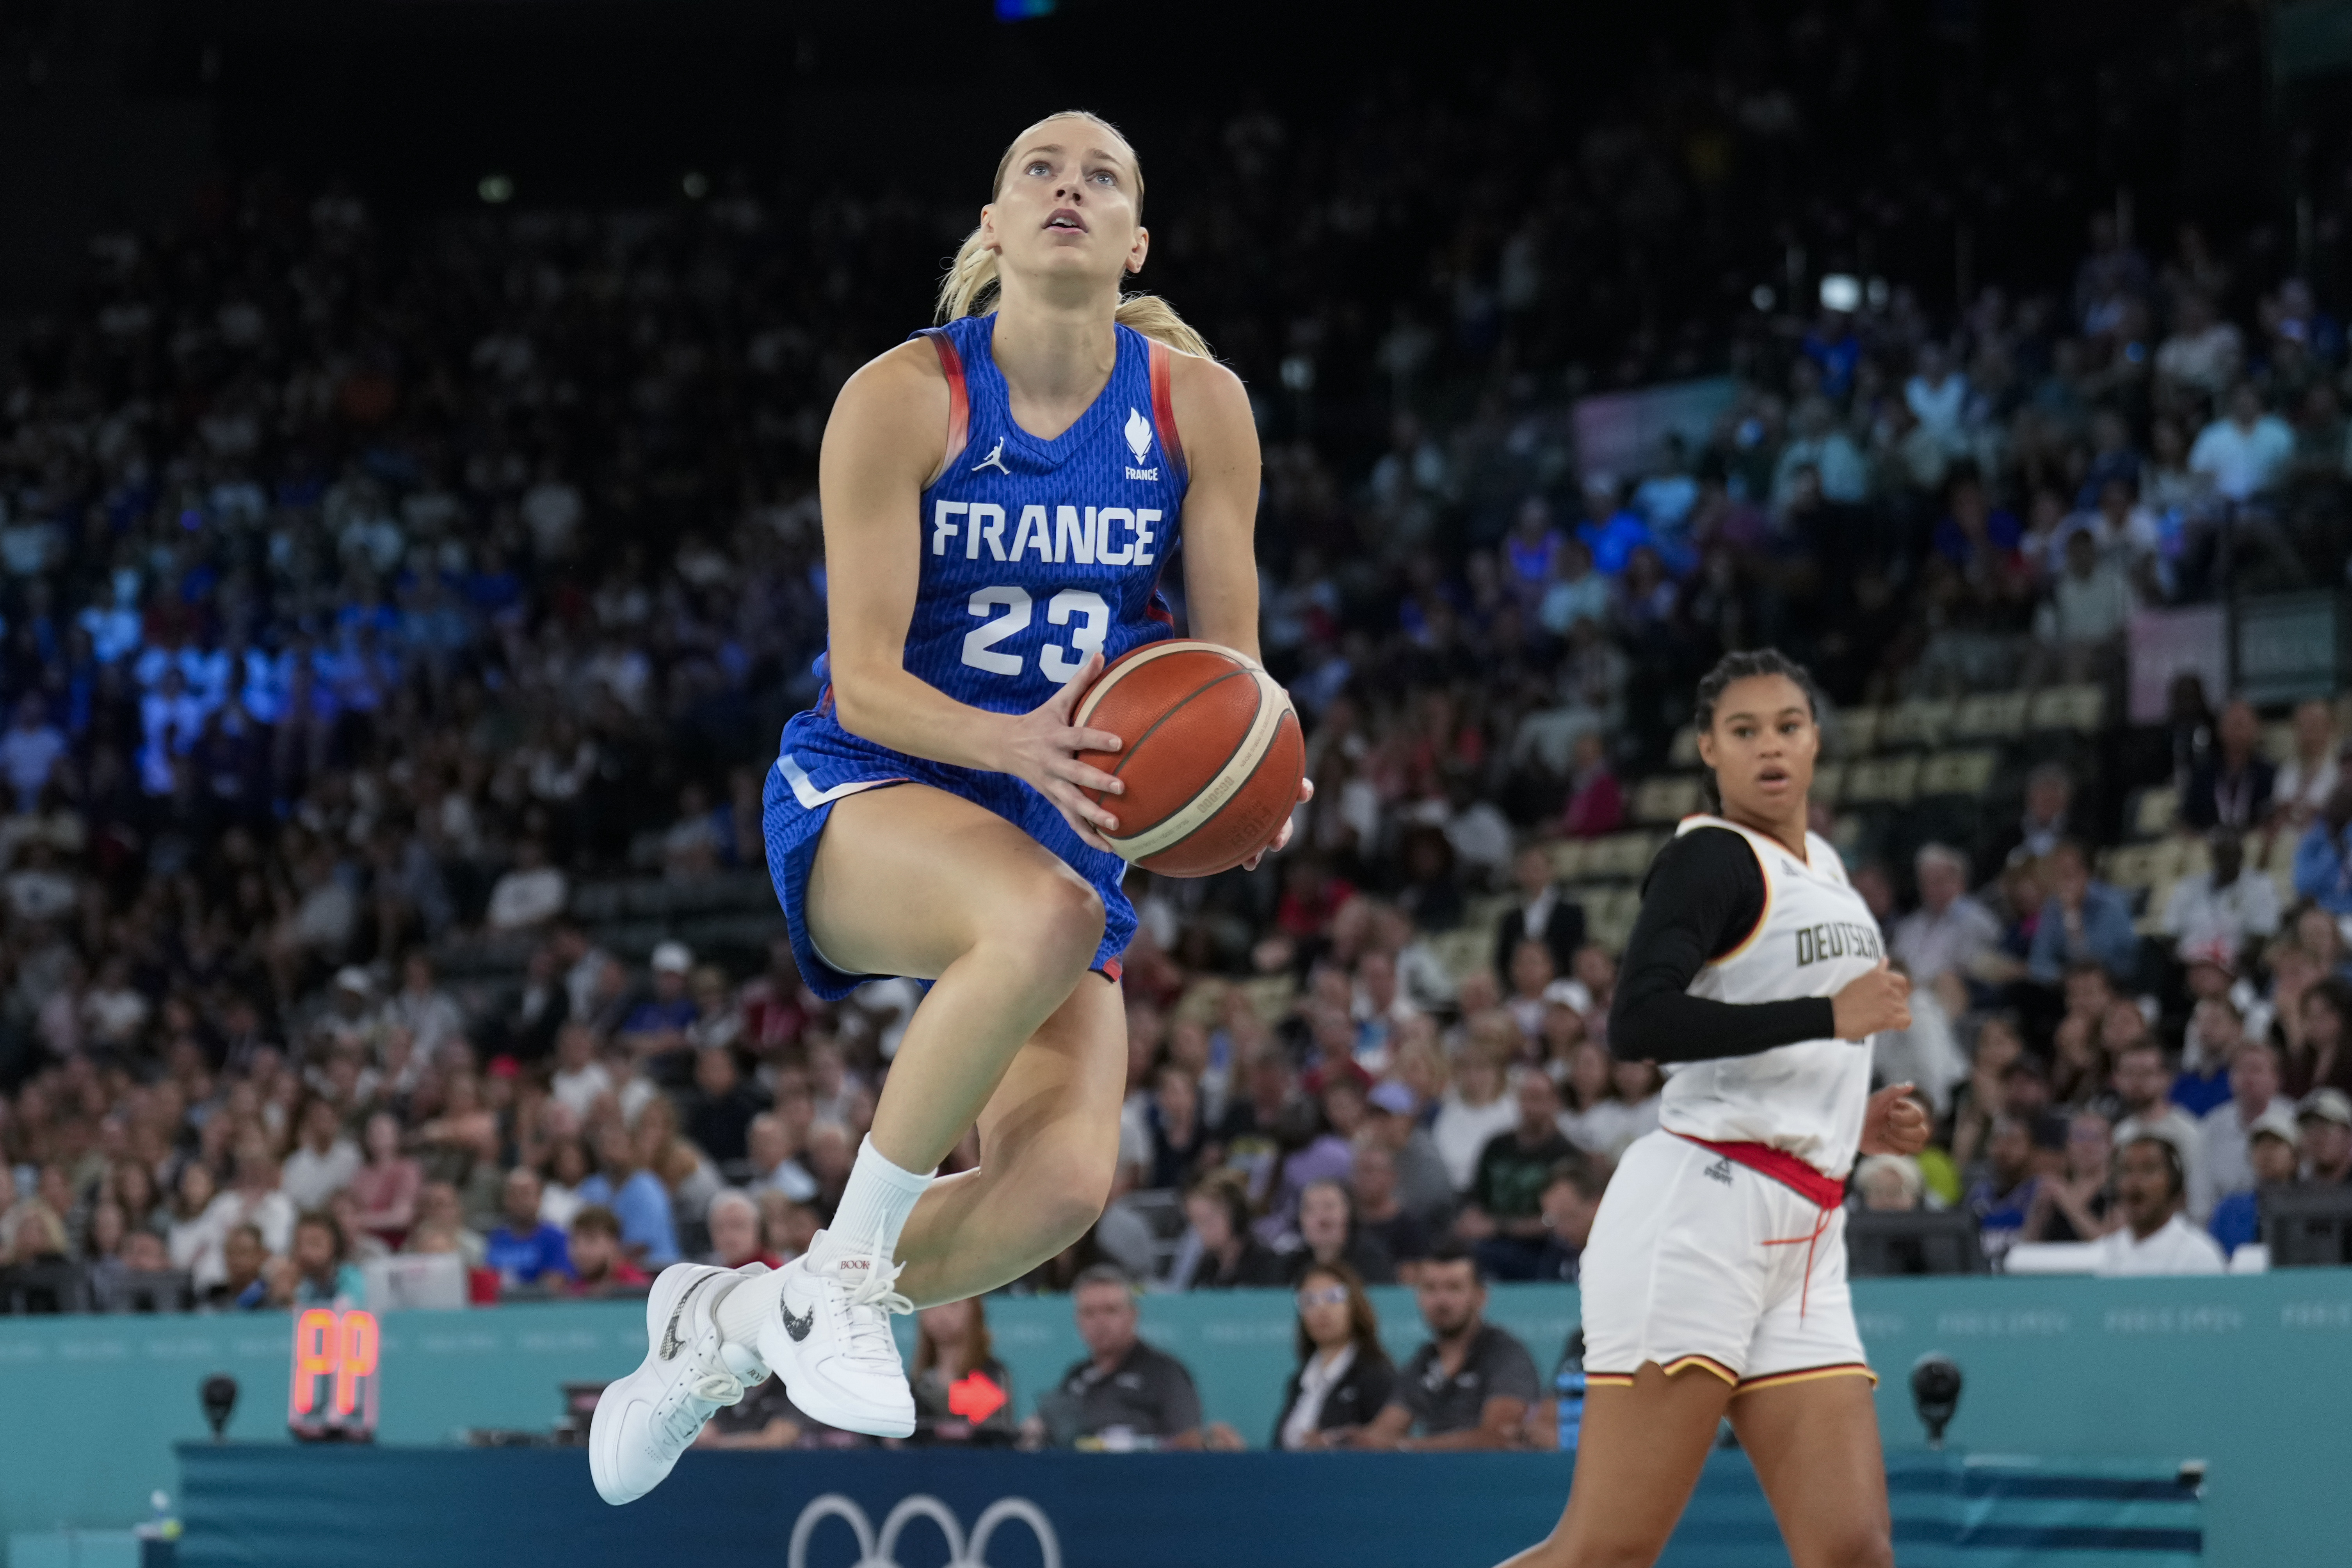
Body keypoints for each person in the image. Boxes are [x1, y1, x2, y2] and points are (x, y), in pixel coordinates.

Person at [592, 109, 1305, 1505]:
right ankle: (848, 1276)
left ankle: (734, 1322)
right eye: (1038, 168)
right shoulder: (903, 396)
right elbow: (863, 678)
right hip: (877, 782)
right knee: (1039, 912)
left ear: (1135, 242)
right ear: (993, 223)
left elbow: (1232, 680)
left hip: (1055, 820)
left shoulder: (1198, 410)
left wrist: (1258, 779)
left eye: (1101, 176)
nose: (1067, 187)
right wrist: (1012, 745)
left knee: (1060, 1189)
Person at [1500, 649, 1924, 1568]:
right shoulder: (1709, 858)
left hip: (1806, 1226)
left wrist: (1846, 1119)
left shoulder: (1828, 868)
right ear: (1707, 749)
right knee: (1606, 1551)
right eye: (1744, 731)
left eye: (1787, 726)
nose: (1769, 747)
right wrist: (1828, 1016)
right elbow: (1637, 1021)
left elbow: (1768, 1039)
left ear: (1814, 742)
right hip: (1701, 1213)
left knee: (1852, 1552)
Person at [1343, 1243, 1537, 1451]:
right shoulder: (1425, 1359)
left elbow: (1499, 1437)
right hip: (1433, 1469)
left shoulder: (1506, 1353)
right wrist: (1340, 1441)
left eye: (1454, 1288)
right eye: (1430, 1288)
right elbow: (1382, 1434)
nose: (1441, 1301)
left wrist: (1406, 1446)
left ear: (1481, 1297)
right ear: (1418, 1297)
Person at [1043, 1265, 1205, 1449]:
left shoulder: (1164, 1373)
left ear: (1133, 1315)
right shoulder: (1075, 1376)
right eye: (1089, 1312)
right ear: (1077, 1320)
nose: (1100, 1322)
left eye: (1111, 1310)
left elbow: (1189, 1441)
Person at [1455, 1070, 1580, 1280]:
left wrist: (1499, 1227)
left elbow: (1559, 1221)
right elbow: (1477, 1197)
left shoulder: (1566, 1155)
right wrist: (1470, 1219)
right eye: (1527, 1098)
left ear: (1555, 1103)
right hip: (1489, 1242)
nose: (1531, 1107)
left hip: (1541, 1248)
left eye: (1539, 1098)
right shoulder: (1496, 1146)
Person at [1271, 1262, 1395, 1450]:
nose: (1322, 1309)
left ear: (1354, 1304)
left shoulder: (1377, 1376)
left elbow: (1388, 1450)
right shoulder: (1298, 1382)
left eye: (1333, 1297)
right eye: (1309, 1301)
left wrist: (1333, 1446)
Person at [2091, 1136, 2227, 1276]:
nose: (2135, 1181)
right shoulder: (2104, 1255)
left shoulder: (2199, 1257)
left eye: (2148, 1170)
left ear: (2174, 1185)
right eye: (2127, 1170)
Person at [2111, 1042, 2210, 1221]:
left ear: (2165, 1078)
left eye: (2146, 1074)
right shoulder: (2121, 1132)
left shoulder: (2188, 1132)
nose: (2137, 1082)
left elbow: (2199, 1200)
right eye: (2130, 1073)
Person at [1889, 843, 1999, 992]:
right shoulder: (1910, 925)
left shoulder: (1976, 920)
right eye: (1926, 883)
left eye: (1939, 881)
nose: (1932, 889)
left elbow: (1972, 969)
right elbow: (1896, 963)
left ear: (1960, 882)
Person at [2026, 840, 2139, 985]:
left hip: (2114, 982)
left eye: (2070, 872)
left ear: (2086, 873)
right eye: (2058, 874)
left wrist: (2073, 917)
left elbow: (2121, 959)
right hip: (2070, 984)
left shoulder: (2112, 903)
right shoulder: (2052, 908)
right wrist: (2066, 976)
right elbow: (2039, 961)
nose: (2065, 881)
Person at [909, 1296, 1016, 1445]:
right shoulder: (916, 1382)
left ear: (974, 1309)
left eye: (953, 1305)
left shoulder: (994, 1375)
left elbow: (997, 1436)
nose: (941, 1315)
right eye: (932, 1306)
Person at [2162, 829, 2280, 957]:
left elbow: (2262, 934)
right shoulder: (2190, 886)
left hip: (2235, 961)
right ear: (2213, 856)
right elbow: (2171, 932)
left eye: (2232, 855)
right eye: (2222, 855)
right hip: (2190, 960)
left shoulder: (2260, 886)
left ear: (2241, 856)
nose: (2228, 860)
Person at [1168, 1170, 1288, 1289]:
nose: (1202, 1230)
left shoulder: (1268, 1264)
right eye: (1196, 1222)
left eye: (1209, 1219)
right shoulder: (1205, 1267)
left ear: (1236, 1215)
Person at [2208, 1105, 2300, 1255]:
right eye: (2260, 1144)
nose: (2267, 1153)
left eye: (2276, 1144)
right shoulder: (2229, 1210)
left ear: (2295, 1158)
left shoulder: (2312, 1208)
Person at [2181, 698, 2275, 834]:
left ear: (2257, 729)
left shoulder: (2270, 774)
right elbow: (2187, 819)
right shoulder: (2203, 775)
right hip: (2208, 841)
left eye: (2241, 725)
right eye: (2232, 725)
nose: (2236, 732)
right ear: (2220, 729)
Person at [1494, 844, 1586, 981]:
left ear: (1551, 869)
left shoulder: (1571, 912)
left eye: (1537, 867)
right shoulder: (1511, 918)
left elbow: (1577, 953)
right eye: (1526, 867)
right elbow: (1503, 959)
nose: (1532, 873)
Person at [1288, 1177, 1396, 1285]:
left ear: (1349, 1214)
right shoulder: (1291, 1265)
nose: (1321, 1217)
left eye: (1329, 1207)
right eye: (1310, 1209)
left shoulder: (1372, 1261)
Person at [484, 1166, 573, 1287]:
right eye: (513, 1194)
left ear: (539, 1198)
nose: (519, 1200)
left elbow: (555, 1284)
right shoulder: (496, 1238)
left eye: (525, 1194)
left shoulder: (556, 1238)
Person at [1533, 1161, 1604, 1282]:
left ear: (1597, 1206)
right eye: (1553, 1221)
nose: (1561, 1230)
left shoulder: (1619, 1253)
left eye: (1568, 1217)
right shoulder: (1557, 1255)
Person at [565, 1206, 650, 1298]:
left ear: (613, 1242)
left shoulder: (639, 1289)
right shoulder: (575, 1290)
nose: (580, 1251)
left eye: (591, 1240)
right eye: (575, 1242)